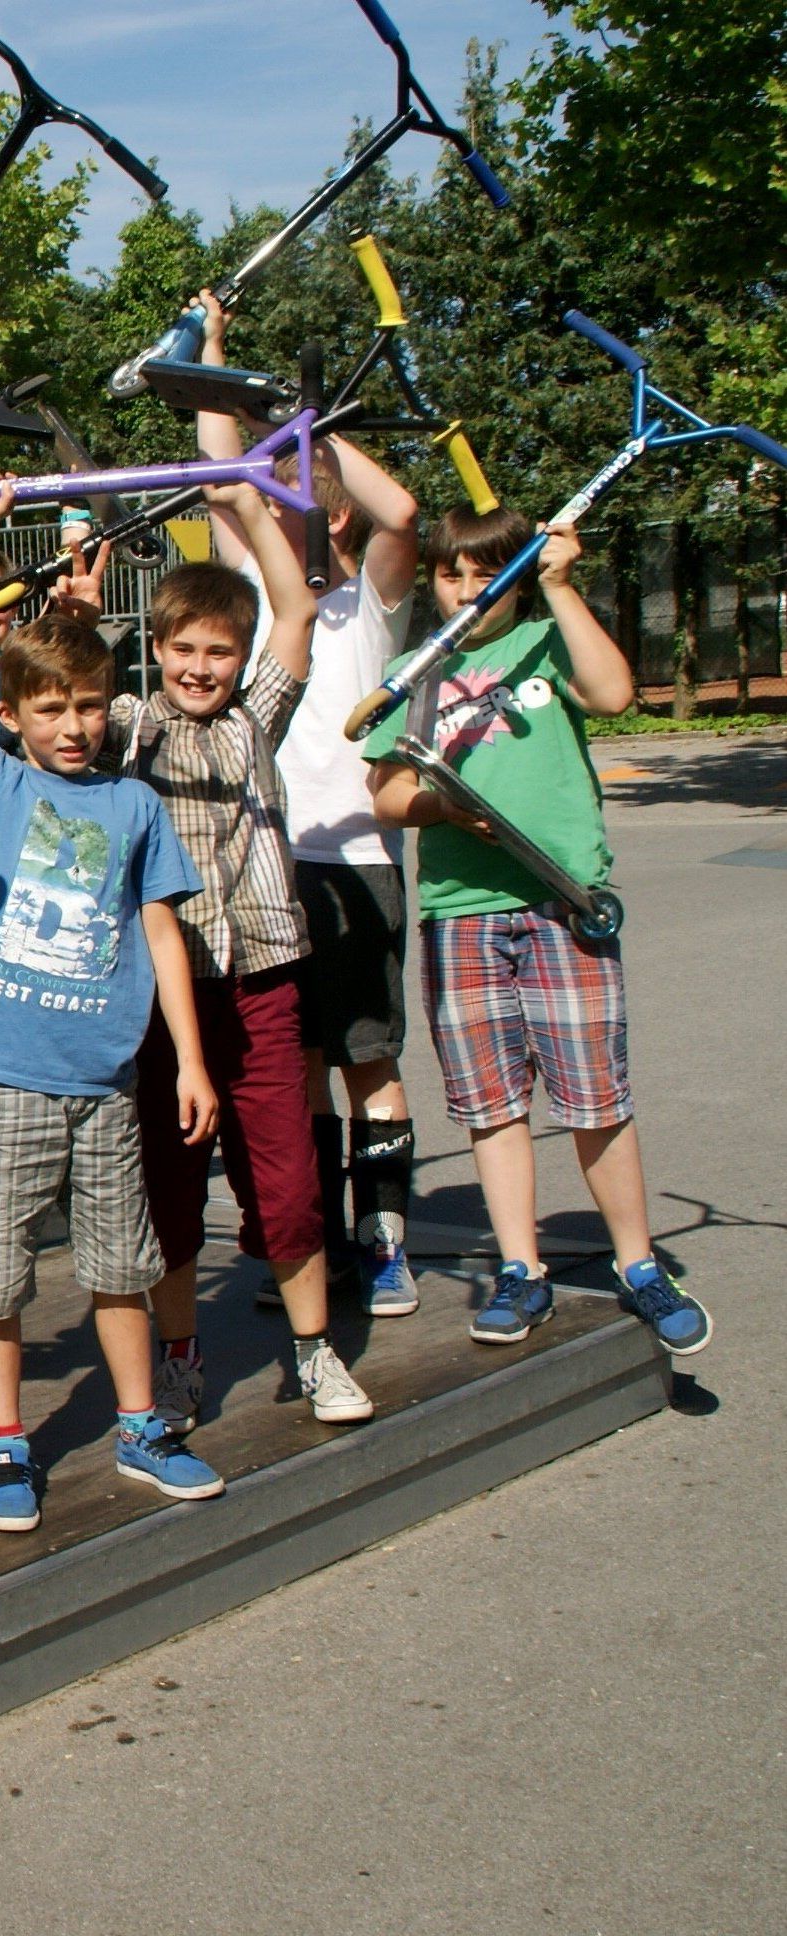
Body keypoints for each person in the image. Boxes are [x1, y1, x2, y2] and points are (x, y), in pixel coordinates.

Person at [0, 484, 223, 1536]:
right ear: (12, 715)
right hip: (1, 1077)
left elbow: (160, 933)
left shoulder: (133, 805)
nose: (74, 725)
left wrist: (187, 1058)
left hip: (105, 1080)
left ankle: (139, 1426)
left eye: (89, 705)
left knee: (122, 1266)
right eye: (49, 708)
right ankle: (6, 1442)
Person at [365, 509, 709, 1356]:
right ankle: (521, 1270)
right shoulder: (414, 669)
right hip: (460, 913)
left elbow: (613, 693)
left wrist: (558, 585)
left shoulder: (545, 643)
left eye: (488, 573)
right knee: (491, 1107)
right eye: (450, 574)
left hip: (562, 902)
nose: (466, 589)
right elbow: (383, 791)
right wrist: (441, 804)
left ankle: (636, 1264)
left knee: (595, 1098)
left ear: (517, 577)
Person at [100, 478, 376, 1430]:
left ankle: (312, 1351)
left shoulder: (256, 719)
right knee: (170, 1186)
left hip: (259, 976)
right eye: (183, 648)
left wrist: (246, 497)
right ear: (157, 648)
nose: (200, 666)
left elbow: (295, 605)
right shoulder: (132, 726)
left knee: (289, 1180)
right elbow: (55, 696)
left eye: (218, 651)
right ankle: (179, 1359)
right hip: (165, 996)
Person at [193, 290, 423, 1317]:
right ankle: (314, 1245)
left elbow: (403, 513)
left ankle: (386, 1240)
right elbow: (214, 475)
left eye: (310, 498)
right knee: (297, 1067)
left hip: (360, 856)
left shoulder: (370, 594)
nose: (290, 505)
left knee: (366, 1060)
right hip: (272, 863)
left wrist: (315, 431)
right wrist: (212, 353)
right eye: (278, 491)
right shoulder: (260, 591)